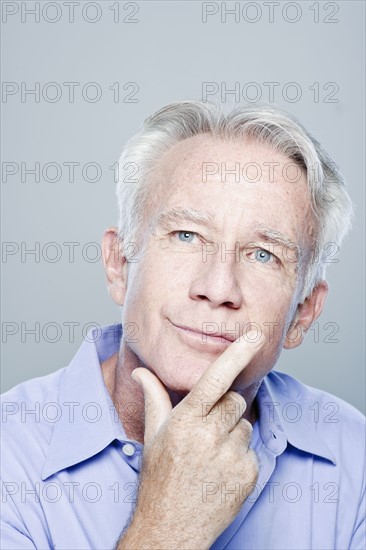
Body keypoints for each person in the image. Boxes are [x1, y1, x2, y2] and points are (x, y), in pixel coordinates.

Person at [1, 101, 365, 550]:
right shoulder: (8, 452)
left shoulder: (357, 462)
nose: (218, 287)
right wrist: (166, 526)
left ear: (303, 313)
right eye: (186, 236)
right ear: (119, 264)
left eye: (263, 254)